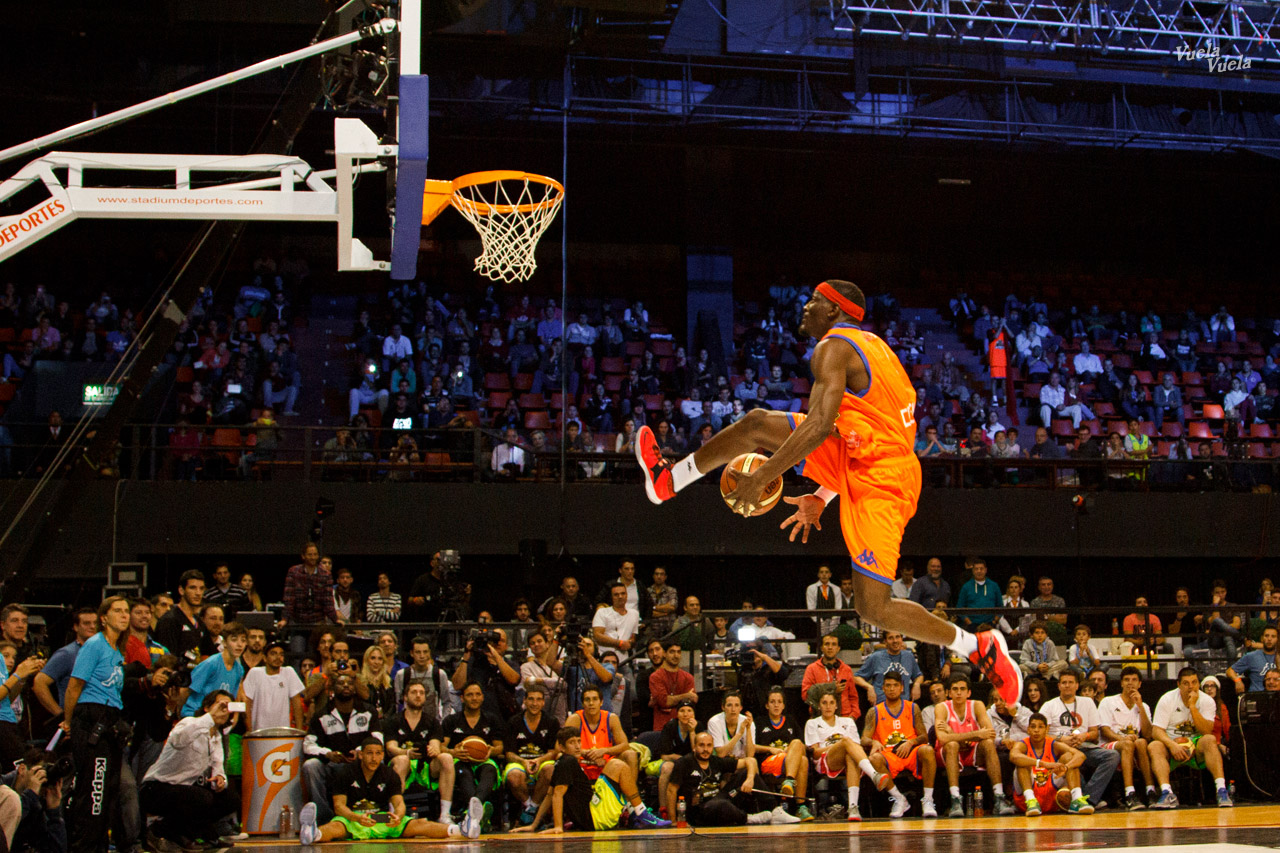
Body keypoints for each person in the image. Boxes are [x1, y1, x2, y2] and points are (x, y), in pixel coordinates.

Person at [635, 280, 1022, 706]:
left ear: (834, 310)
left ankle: (976, 646)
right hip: (859, 453)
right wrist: (822, 493)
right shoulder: (871, 347)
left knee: (873, 607)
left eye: (815, 301)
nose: (805, 307)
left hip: (883, 479)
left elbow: (819, 427)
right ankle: (668, 480)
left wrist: (765, 472)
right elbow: (852, 430)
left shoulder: (833, 348)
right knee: (757, 424)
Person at [297, 737, 482, 844]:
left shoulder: (388, 774)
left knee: (418, 825)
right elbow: (339, 806)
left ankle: (461, 830)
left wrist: (399, 816)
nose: (374, 758)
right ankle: (313, 834)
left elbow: (398, 802)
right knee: (335, 827)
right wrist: (356, 818)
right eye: (369, 753)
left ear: (382, 755)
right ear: (361, 754)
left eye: (378, 753)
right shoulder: (345, 773)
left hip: (381, 819)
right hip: (353, 818)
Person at [64, 596, 131, 853]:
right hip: (90, 718)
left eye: (127, 611)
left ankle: (100, 844)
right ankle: (84, 846)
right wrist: (69, 723)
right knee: (95, 787)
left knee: (110, 788)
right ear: (104, 617)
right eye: (118, 611)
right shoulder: (94, 645)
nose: (124, 615)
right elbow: (74, 686)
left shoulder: (116, 651)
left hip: (111, 719)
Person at [512, 725, 669, 833]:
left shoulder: (561, 763)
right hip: (595, 818)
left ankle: (635, 811)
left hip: (591, 812)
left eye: (579, 741)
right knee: (618, 765)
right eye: (572, 743)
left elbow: (549, 794)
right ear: (561, 747)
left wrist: (534, 825)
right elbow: (557, 794)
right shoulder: (568, 761)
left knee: (613, 765)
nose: (577, 746)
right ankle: (640, 812)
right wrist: (558, 827)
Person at [140, 690, 239, 848]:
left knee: (230, 799)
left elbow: (218, 769)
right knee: (201, 797)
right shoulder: (189, 723)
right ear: (207, 707)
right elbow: (178, 740)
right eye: (221, 705)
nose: (224, 710)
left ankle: (192, 833)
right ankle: (158, 830)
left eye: (228, 707)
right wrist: (209, 718)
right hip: (156, 788)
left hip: (185, 790)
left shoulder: (217, 737)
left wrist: (220, 780)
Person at [664, 731, 794, 827]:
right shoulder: (684, 762)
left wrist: (749, 779)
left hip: (720, 797)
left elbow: (750, 760)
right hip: (699, 810)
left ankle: (775, 810)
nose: (705, 749)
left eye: (709, 746)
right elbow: (671, 790)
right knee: (720, 804)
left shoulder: (715, 761)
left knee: (747, 774)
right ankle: (749, 818)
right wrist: (674, 820)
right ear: (694, 747)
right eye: (701, 745)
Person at [1147, 667, 1232, 809]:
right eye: (1186, 683)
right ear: (1178, 684)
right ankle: (1166, 792)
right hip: (1172, 745)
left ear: (1199, 684)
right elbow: (1156, 731)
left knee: (1210, 739)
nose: (1191, 687)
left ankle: (1221, 790)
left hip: (1195, 746)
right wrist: (1171, 745)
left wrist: (1193, 707)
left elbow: (1206, 730)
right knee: (1154, 746)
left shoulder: (1206, 701)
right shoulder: (1167, 699)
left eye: (1194, 682)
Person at [860, 671, 939, 818]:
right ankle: (899, 798)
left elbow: (924, 736)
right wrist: (874, 741)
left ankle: (928, 799)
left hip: (910, 753)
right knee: (873, 759)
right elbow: (863, 739)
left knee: (928, 750)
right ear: (882, 688)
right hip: (889, 755)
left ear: (902, 687)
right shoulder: (875, 711)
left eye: (895, 685)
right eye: (888, 685)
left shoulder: (912, 708)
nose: (891, 689)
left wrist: (911, 742)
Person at [804, 691, 890, 821]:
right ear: (819, 706)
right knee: (845, 741)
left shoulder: (847, 722)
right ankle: (873, 774)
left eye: (831, 703)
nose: (828, 706)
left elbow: (856, 749)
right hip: (825, 760)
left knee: (852, 756)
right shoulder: (812, 723)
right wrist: (838, 746)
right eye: (824, 703)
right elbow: (815, 753)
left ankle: (853, 808)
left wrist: (844, 746)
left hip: (848, 759)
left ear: (836, 706)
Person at [1040, 668, 1119, 810]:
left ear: (1077, 685)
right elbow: (1042, 734)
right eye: (1064, 682)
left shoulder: (1087, 703)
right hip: (1060, 748)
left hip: (1084, 745)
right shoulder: (1049, 706)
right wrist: (1062, 739)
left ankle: (1088, 798)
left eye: (1071, 682)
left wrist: (1084, 736)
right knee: (1071, 757)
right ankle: (1085, 800)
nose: (1067, 685)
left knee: (1112, 756)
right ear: (1058, 686)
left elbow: (1095, 733)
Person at [934, 674, 1012, 817]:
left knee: (988, 743)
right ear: (948, 693)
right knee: (951, 745)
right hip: (948, 753)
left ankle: (999, 797)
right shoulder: (942, 707)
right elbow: (943, 738)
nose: (959, 692)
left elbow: (989, 734)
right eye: (955, 689)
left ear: (969, 692)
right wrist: (974, 735)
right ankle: (955, 799)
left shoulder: (977, 705)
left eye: (962, 689)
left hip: (971, 751)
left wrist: (955, 734)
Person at [380, 681, 457, 826]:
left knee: (446, 757)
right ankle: (394, 813)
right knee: (402, 760)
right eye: (414, 692)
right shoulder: (393, 721)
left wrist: (434, 749)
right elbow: (391, 747)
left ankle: (445, 814)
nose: (418, 696)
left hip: (425, 768)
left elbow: (435, 743)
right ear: (405, 697)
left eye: (421, 693)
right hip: (403, 767)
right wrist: (407, 752)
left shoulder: (432, 722)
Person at [302, 673, 376, 824]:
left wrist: (360, 751)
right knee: (311, 766)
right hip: (333, 765)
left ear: (355, 689)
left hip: (360, 764)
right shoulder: (321, 715)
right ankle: (323, 818)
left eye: (350, 683)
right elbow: (308, 745)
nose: (346, 686)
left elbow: (378, 738)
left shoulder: (368, 711)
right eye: (341, 683)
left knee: (377, 761)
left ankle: (375, 812)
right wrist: (327, 753)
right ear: (332, 689)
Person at [441, 682, 506, 825]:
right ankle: (478, 814)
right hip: (460, 760)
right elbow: (440, 747)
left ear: (483, 697)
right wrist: (453, 752)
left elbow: (499, 747)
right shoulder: (452, 720)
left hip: (484, 760)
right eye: (470, 695)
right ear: (462, 698)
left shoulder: (492, 719)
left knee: (490, 770)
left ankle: (470, 813)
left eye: (477, 694)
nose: (474, 698)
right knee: (464, 774)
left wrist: (491, 751)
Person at [1009, 713, 1093, 816]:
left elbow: (1080, 755)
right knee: (1022, 762)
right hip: (1026, 798)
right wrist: (1043, 764)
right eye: (1033, 726)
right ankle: (1031, 800)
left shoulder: (1054, 744)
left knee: (1069, 757)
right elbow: (1013, 756)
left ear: (1047, 729)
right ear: (1028, 730)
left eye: (1040, 727)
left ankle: (1076, 800)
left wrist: (1066, 767)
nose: (1036, 730)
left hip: (1050, 791)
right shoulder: (1022, 744)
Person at [1098, 665, 1157, 809]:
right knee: (1128, 744)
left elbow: (1149, 734)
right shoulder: (1108, 702)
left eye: (1134, 680)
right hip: (1109, 744)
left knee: (1142, 742)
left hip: (1133, 744)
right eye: (1126, 680)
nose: (1130, 683)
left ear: (1140, 684)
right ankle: (1130, 793)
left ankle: (1150, 791)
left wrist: (1140, 706)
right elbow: (1105, 731)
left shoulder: (1144, 706)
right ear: (1121, 683)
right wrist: (1122, 739)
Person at [503, 684, 560, 826]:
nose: (535, 703)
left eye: (539, 699)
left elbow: (554, 752)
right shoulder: (513, 722)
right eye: (531, 699)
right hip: (520, 761)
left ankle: (530, 810)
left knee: (550, 770)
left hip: (542, 760)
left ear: (543, 702)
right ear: (525, 701)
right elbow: (509, 753)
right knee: (514, 776)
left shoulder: (551, 722)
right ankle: (531, 807)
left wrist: (540, 760)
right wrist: (523, 762)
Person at [32, 608, 97, 722]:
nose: (92, 627)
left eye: (95, 623)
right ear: (76, 627)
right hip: (77, 720)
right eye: (87, 623)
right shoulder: (67, 654)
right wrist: (61, 716)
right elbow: (39, 683)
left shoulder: (105, 652)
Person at [179, 621, 247, 717]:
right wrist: (180, 717)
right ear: (224, 642)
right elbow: (185, 691)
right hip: (195, 716)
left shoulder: (239, 670)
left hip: (216, 719)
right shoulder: (210, 664)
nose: (239, 645)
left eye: (243, 641)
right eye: (234, 640)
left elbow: (233, 700)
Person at [240, 638, 304, 730]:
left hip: (283, 733)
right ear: (265, 658)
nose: (278, 657)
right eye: (273, 654)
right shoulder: (254, 673)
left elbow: (297, 705)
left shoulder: (289, 672)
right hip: (258, 733)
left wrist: (299, 733)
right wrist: (250, 731)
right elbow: (247, 704)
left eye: (281, 654)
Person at [855, 630, 924, 705]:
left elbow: (919, 675)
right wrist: (869, 687)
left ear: (901, 639)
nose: (895, 641)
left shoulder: (909, 656)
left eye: (897, 637)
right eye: (891, 638)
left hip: (904, 706)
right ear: (885, 641)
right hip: (881, 706)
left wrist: (916, 685)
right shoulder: (876, 657)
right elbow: (856, 677)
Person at [154, 570, 206, 669]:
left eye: (201, 589)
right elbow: (166, 660)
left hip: (196, 679)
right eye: (193, 588)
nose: (198, 593)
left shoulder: (199, 623)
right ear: (181, 590)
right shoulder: (169, 620)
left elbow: (209, 653)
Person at [393, 636, 451, 718]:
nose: (422, 656)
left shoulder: (439, 674)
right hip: (408, 724)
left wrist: (443, 723)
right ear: (412, 653)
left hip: (433, 724)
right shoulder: (402, 674)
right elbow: (397, 703)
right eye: (418, 652)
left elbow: (447, 702)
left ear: (429, 653)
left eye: (425, 652)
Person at [648, 641, 696, 731]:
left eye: (678, 652)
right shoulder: (655, 677)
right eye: (672, 652)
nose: (676, 655)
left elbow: (692, 701)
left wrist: (671, 700)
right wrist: (686, 695)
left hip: (684, 727)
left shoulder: (688, 677)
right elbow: (664, 701)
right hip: (662, 728)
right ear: (664, 654)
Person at [1227, 625, 1279, 693]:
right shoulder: (1251, 656)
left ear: (1278, 639)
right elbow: (1230, 671)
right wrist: (1237, 680)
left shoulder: (1278, 656)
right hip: (1257, 696)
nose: (1269, 639)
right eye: (1266, 636)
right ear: (1262, 638)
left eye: (1273, 636)